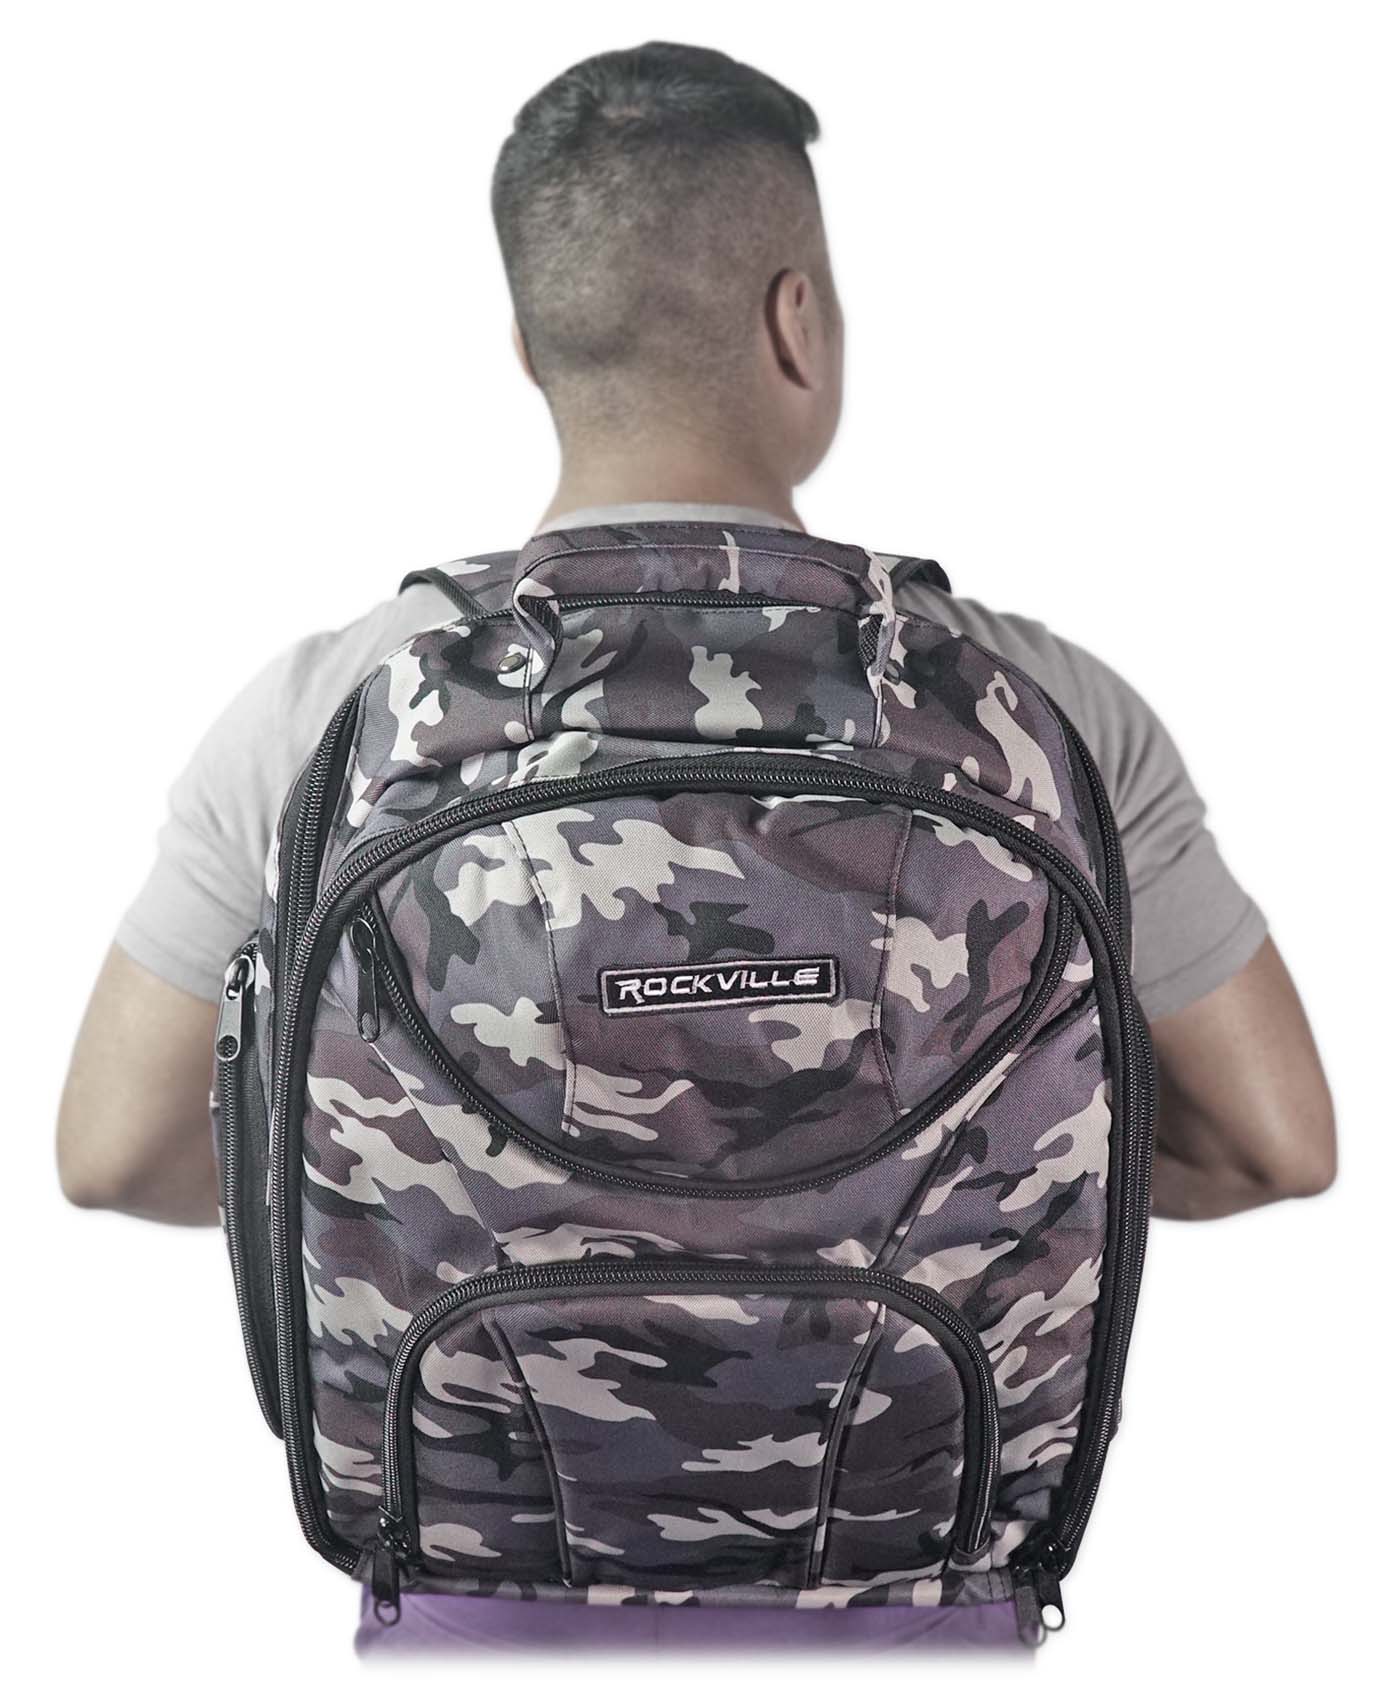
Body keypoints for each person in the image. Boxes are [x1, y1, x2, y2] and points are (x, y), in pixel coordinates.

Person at [55, 41, 1335, 1650]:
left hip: (473, 1621)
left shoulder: (329, 709)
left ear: (529, 344)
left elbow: (113, 1153)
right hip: (921, 1614)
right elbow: (1276, 1145)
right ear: (800, 321)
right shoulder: (1041, 709)